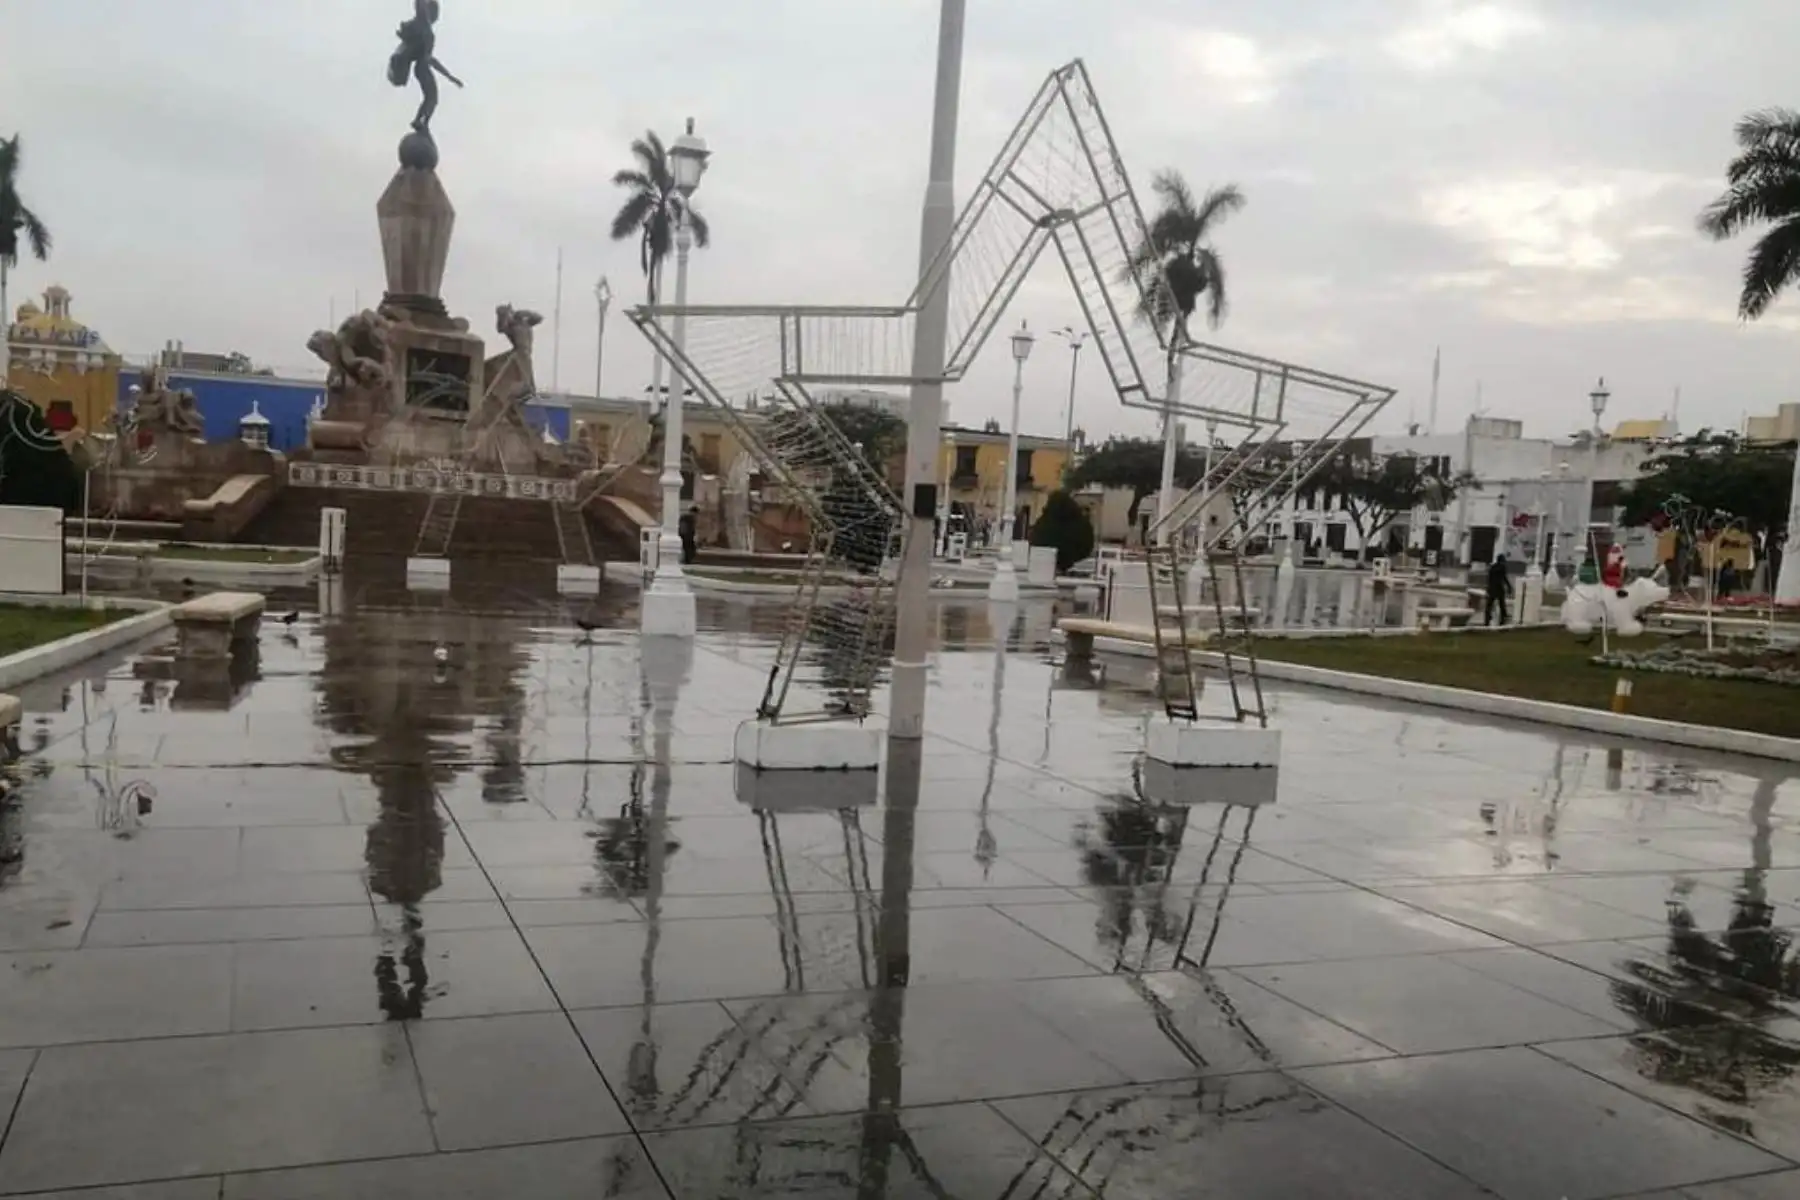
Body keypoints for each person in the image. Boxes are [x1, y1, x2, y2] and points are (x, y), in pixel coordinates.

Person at [389, 0, 464, 134]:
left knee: (431, 98)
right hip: (421, 68)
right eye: (436, 13)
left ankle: (421, 122)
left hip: (421, 68)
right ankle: (420, 121)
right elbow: (420, 5)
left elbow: (431, 60)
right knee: (432, 97)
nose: (437, 17)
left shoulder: (429, 34)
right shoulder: (424, 23)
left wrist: (450, 77)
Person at [1484, 552, 1513, 626]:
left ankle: (1487, 618)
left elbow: (1489, 579)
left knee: (1489, 604)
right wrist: (1509, 587)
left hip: (1492, 588)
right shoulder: (1503, 567)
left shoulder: (1492, 567)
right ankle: (1503, 617)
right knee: (1502, 603)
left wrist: (1488, 588)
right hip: (1499, 588)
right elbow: (1504, 578)